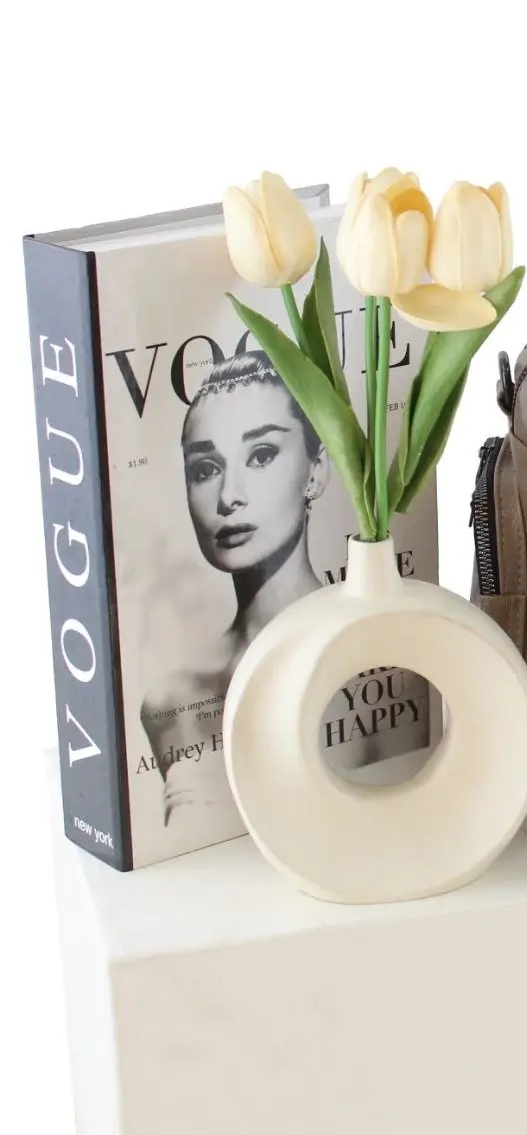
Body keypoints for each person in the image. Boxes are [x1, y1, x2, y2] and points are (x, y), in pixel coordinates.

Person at [141, 351, 329, 826]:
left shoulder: (372, 658)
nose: (228, 497)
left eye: (261, 455)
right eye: (206, 469)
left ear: (316, 470)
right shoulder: (170, 702)